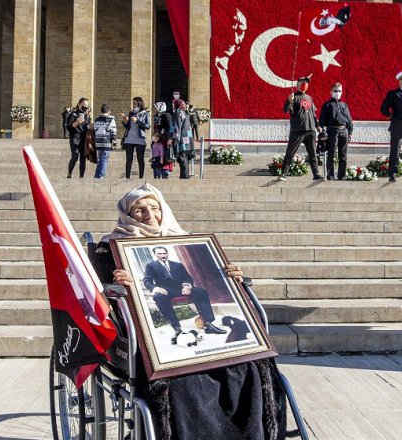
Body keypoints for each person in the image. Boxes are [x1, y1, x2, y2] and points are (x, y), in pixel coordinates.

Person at [89, 183, 287, 439]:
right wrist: (120, 284)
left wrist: (230, 276)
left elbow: (188, 274)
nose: (149, 215)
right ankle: (178, 330)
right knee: (185, 383)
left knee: (248, 365)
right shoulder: (111, 247)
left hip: (180, 290)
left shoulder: (184, 237)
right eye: (139, 210)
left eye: (154, 207)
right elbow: (104, 295)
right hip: (142, 329)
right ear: (127, 214)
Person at [144, 246, 228, 341]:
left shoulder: (177, 265)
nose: (163, 255)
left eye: (164, 253)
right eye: (159, 254)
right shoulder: (151, 266)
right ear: (154, 254)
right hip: (166, 290)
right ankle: (177, 330)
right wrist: (156, 288)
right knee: (158, 297)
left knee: (202, 292)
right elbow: (147, 281)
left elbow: (187, 278)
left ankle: (208, 324)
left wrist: (187, 285)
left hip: (181, 288)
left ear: (167, 253)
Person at [280, 76, 322, 181]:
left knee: (312, 154)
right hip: (297, 130)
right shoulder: (294, 97)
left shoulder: (309, 98)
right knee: (290, 152)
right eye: (302, 82)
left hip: (310, 130)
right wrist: (289, 101)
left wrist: (317, 126)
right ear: (297, 84)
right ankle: (284, 173)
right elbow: (285, 110)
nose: (304, 84)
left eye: (306, 83)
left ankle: (316, 174)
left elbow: (313, 114)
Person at [319, 82, 354, 180]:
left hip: (344, 131)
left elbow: (349, 120)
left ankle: (342, 176)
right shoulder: (327, 105)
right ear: (331, 92)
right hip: (332, 130)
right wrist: (322, 132)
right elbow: (322, 121)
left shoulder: (344, 105)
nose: (338, 93)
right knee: (331, 154)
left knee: (343, 155)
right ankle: (330, 175)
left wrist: (350, 132)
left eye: (339, 91)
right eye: (335, 91)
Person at [121, 97, 151, 179]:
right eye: (133, 103)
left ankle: (141, 177)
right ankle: (127, 177)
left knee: (140, 159)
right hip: (129, 138)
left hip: (140, 139)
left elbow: (148, 126)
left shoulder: (145, 113)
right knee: (129, 159)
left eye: (135, 103)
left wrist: (137, 121)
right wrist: (124, 121)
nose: (133, 105)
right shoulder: (131, 113)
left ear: (139, 103)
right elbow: (127, 127)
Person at [66, 98, 92, 178]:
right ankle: (69, 173)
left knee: (83, 158)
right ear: (79, 104)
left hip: (84, 139)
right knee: (75, 156)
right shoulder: (73, 114)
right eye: (84, 104)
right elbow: (69, 127)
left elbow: (87, 127)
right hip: (75, 137)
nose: (85, 106)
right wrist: (76, 123)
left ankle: (81, 176)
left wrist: (90, 126)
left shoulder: (87, 116)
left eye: (87, 105)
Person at [170, 99, 194, 179]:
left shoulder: (178, 113)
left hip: (182, 139)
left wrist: (173, 139)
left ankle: (184, 177)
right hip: (188, 139)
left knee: (182, 157)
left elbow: (177, 127)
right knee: (185, 158)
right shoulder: (185, 113)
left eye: (174, 104)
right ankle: (185, 176)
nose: (172, 106)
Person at [92, 104, 117, 179]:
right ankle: (101, 175)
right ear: (109, 111)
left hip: (98, 141)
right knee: (104, 158)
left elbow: (95, 129)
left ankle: (97, 175)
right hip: (107, 141)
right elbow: (113, 131)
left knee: (100, 158)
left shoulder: (97, 119)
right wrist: (114, 142)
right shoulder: (111, 120)